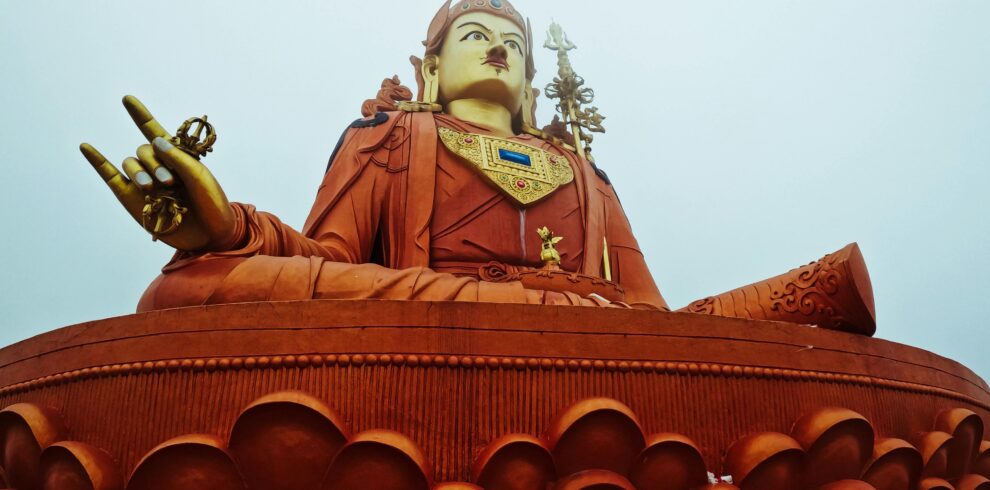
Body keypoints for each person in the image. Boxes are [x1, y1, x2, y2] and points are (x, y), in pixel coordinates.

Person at [79, 0, 669, 312]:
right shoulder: (385, 136)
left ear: (530, 87)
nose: (497, 49)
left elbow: (649, 308)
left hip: (586, 326)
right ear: (431, 68)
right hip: (431, 320)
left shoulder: (582, 173)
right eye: (476, 37)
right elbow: (331, 261)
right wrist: (229, 230)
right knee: (183, 288)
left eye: (513, 45)